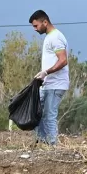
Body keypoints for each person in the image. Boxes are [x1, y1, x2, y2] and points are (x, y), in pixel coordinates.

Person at [29, 10, 69, 146]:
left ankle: (52, 146)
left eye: (36, 26)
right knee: (35, 111)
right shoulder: (49, 37)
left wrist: (46, 72)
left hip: (55, 84)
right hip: (47, 84)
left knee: (49, 116)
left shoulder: (55, 37)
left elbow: (63, 60)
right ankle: (42, 142)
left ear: (45, 22)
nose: (35, 29)